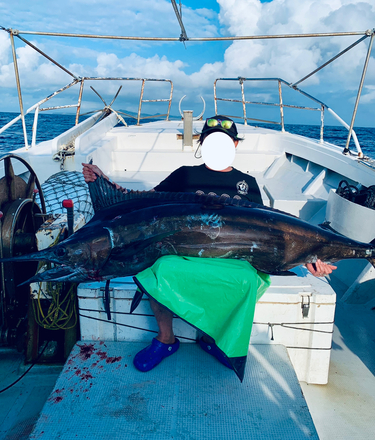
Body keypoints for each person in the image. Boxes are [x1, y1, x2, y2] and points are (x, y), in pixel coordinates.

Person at [82, 115, 336, 377]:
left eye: (225, 141)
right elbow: (143, 204)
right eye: (212, 140)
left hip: (232, 254)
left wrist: (307, 256)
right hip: (183, 251)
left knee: (247, 280)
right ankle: (166, 339)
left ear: (235, 145)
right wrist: (105, 182)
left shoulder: (247, 183)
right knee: (156, 269)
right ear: (202, 142)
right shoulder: (185, 175)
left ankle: (213, 339)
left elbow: (267, 230)